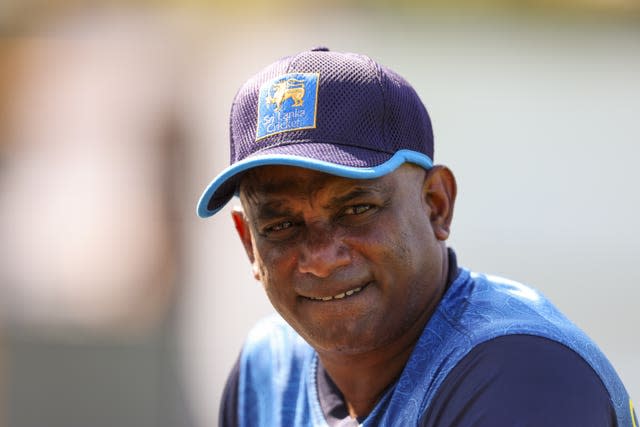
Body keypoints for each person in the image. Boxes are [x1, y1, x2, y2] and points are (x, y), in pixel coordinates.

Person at [197, 47, 637, 426]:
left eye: (356, 209)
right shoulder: (269, 367)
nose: (321, 257)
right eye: (281, 226)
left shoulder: (523, 372)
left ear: (436, 205)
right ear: (250, 244)